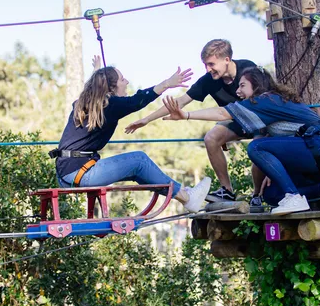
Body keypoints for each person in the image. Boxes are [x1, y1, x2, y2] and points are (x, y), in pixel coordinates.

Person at [162, 66, 320, 215]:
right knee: (271, 194)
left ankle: (293, 196)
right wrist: (270, 178)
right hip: (314, 157)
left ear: (257, 85)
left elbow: (223, 113)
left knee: (256, 147)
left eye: (242, 85)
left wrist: (186, 115)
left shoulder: (266, 100)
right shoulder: (266, 114)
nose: (238, 91)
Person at [51, 61, 211, 214]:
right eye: (122, 79)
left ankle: (183, 193)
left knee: (139, 170)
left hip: (67, 172)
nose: (126, 82)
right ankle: (187, 198)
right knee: (139, 160)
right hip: (80, 173)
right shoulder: (109, 105)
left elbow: (92, 91)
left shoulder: (84, 104)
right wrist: (166, 84)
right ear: (110, 87)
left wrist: (97, 73)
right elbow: (137, 101)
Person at [125, 39, 257, 203]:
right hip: (233, 120)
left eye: (211, 64)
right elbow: (180, 102)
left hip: (258, 120)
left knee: (258, 146)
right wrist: (146, 120)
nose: (208, 69)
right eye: (205, 65)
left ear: (227, 60)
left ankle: (258, 195)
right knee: (211, 138)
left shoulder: (249, 70)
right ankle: (227, 191)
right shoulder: (209, 79)